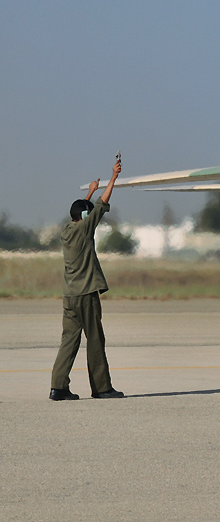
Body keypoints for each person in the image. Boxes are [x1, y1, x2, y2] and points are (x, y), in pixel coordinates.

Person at [49, 156, 126, 400]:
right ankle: (102, 388)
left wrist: (89, 192)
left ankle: (58, 388)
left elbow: (84, 210)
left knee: (68, 341)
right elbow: (102, 205)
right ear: (84, 216)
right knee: (95, 340)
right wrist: (113, 178)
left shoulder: (67, 230)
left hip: (69, 296)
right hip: (86, 295)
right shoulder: (84, 228)